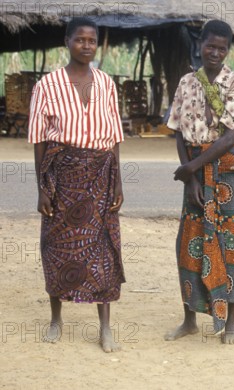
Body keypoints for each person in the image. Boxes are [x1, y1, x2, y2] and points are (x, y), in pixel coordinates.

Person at [28, 17, 125, 353]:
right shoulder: (47, 85)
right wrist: (43, 186)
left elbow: (114, 138)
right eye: (80, 40)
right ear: (67, 42)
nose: (86, 45)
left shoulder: (107, 84)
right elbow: (39, 141)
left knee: (103, 253)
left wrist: (118, 184)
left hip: (100, 176)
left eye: (92, 40)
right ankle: (56, 318)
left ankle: (105, 327)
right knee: (55, 247)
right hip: (62, 176)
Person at [164, 20, 234, 345]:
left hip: (229, 173)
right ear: (200, 44)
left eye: (221, 48)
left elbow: (231, 135)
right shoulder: (186, 82)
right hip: (195, 171)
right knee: (191, 243)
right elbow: (178, 130)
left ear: (228, 50)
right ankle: (189, 319)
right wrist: (190, 179)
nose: (214, 53)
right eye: (209, 46)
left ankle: (231, 323)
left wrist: (192, 169)